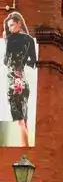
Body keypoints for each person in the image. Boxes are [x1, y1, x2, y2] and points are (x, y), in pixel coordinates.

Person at [3, 12, 36, 147]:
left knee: (19, 122)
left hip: (13, 83)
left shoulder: (10, 40)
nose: (10, 28)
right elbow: (32, 62)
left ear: (19, 23)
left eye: (11, 25)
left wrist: (5, 40)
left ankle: (24, 153)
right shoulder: (30, 40)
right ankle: (27, 156)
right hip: (23, 81)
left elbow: (6, 61)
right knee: (24, 121)